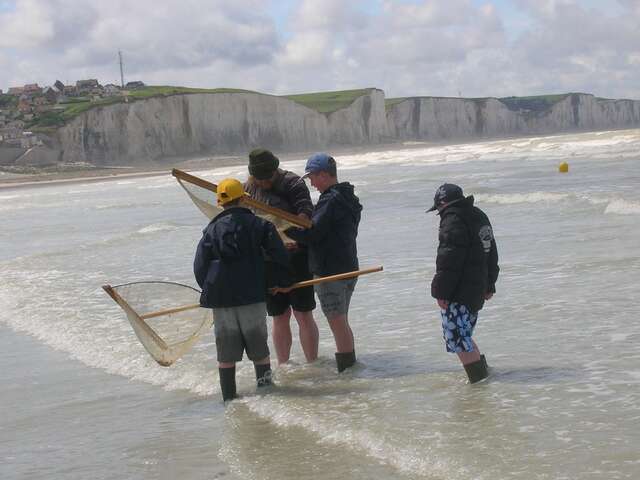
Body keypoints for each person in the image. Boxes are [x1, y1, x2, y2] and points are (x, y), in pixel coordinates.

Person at [193, 178, 292, 402]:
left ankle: (229, 398)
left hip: (221, 299)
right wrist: (280, 283)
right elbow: (279, 257)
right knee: (259, 350)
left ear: (220, 203)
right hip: (253, 295)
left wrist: (210, 290)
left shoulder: (210, 230)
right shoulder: (261, 225)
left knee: (226, 354)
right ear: (243, 199)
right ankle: (266, 395)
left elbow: (200, 266)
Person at [284, 153, 363, 372]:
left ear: (325, 175)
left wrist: (284, 228)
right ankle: (351, 367)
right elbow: (329, 234)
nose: (311, 183)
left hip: (330, 272)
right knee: (342, 322)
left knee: (337, 323)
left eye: (312, 177)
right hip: (348, 267)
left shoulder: (331, 200)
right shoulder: (349, 197)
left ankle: (347, 372)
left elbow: (314, 234)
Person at [245, 148, 319, 365]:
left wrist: (294, 228)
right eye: (259, 178)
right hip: (268, 262)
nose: (263, 182)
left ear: (275, 170)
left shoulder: (293, 183)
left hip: (296, 257)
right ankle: (283, 365)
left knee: (303, 314)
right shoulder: (248, 188)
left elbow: (305, 212)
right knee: (279, 316)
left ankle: (312, 364)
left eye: (267, 178)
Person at [427, 183, 499, 383]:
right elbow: (491, 251)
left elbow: (448, 259)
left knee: (457, 338)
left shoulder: (453, 220)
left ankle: (479, 384)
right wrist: (490, 283)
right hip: (477, 287)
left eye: (439, 210)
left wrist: (440, 292)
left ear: (443, 204)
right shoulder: (478, 214)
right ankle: (484, 375)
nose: (439, 215)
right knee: (463, 335)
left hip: (459, 290)